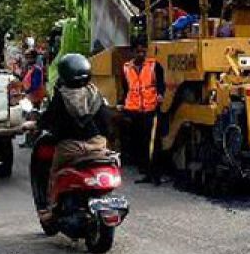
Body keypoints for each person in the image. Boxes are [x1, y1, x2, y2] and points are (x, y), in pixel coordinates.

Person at [36, 54, 113, 219]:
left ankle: (51, 209)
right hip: (98, 146)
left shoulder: (62, 96)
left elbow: (50, 119)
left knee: (54, 173)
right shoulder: (95, 94)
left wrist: (37, 125)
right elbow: (106, 123)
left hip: (71, 148)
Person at [120, 41, 166, 185]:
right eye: (138, 52)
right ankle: (145, 172)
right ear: (132, 53)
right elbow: (126, 88)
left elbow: (160, 84)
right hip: (134, 110)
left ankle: (155, 174)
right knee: (139, 142)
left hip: (150, 108)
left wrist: (160, 94)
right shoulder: (127, 68)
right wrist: (124, 104)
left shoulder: (154, 65)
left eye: (143, 52)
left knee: (153, 143)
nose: (141, 54)